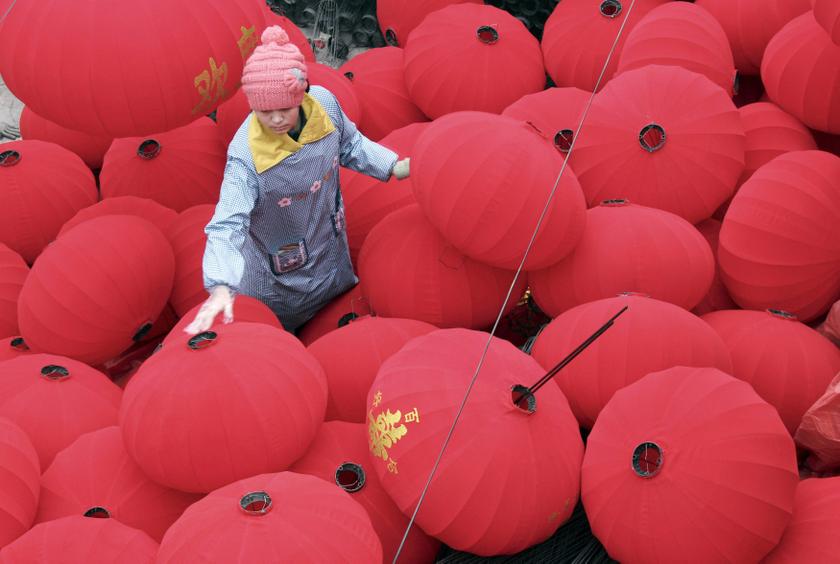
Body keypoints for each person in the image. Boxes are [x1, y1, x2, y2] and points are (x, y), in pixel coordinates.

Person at [184, 25, 410, 335]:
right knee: (280, 325)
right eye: (264, 112)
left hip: (328, 239)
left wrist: (391, 165)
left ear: (301, 96)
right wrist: (221, 282)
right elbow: (227, 223)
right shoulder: (247, 155)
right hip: (276, 272)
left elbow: (351, 143)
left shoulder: (325, 105)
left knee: (337, 303)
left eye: (284, 109)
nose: (275, 120)